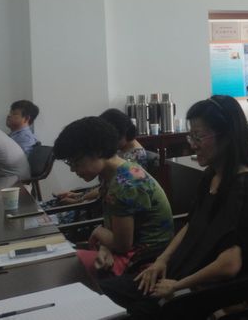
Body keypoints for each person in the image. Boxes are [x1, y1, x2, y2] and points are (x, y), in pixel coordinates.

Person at [101, 96, 248, 319]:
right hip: (176, 273)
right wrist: (161, 260)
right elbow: (191, 225)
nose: (192, 144)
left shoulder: (244, 186)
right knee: (103, 293)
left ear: (227, 136)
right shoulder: (211, 175)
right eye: (191, 136)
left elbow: (229, 264)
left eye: (198, 136)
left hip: (195, 290)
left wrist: (177, 285)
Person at [53, 117, 174, 278]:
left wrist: (98, 231)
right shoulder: (115, 172)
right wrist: (105, 246)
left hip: (145, 259)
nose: (73, 170)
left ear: (97, 152)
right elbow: (114, 229)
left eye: (75, 162)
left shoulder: (124, 185)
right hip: (129, 247)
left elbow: (122, 245)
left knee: (67, 268)